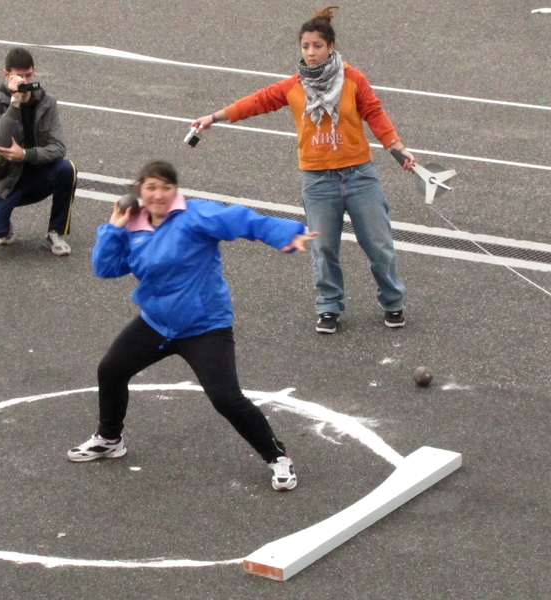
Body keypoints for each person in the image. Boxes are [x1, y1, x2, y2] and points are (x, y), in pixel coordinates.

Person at [67, 161, 318, 491]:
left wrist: (286, 234)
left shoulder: (195, 216)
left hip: (204, 327)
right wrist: (114, 226)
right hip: (156, 323)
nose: (159, 195)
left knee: (226, 399)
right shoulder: (134, 226)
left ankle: (277, 457)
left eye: (166, 188)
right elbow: (105, 268)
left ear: (176, 191)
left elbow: (240, 220)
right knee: (111, 370)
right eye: (151, 188)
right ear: (138, 192)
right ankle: (110, 439)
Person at [192, 6, 415, 334]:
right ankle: (328, 307)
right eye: (305, 46)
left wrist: (396, 146)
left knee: (379, 245)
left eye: (317, 46)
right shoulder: (293, 86)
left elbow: (374, 113)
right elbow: (256, 101)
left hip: (359, 176)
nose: (311, 53)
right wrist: (213, 117)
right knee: (324, 248)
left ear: (331, 48)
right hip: (318, 180)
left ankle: (393, 301)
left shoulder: (353, 79)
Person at [0, 47, 77, 256]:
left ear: (34, 71)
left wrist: (26, 155)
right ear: (6, 75)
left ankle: (55, 233)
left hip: (37, 176)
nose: (25, 81)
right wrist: (15, 103)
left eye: (28, 75)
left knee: (67, 169)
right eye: (19, 76)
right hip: (5, 182)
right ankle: (4, 226)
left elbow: (58, 148)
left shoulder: (47, 102)